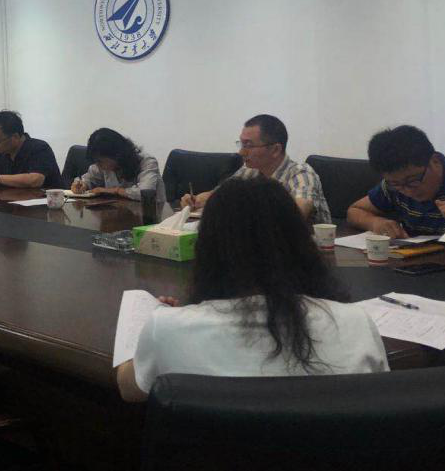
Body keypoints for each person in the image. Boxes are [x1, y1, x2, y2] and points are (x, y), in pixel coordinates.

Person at [116, 176, 387, 402]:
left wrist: (155, 324)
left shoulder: (167, 329)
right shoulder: (355, 323)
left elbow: (129, 389)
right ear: (301, 243)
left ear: (207, 249)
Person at [180, 114, 331, 223]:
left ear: (275, 150)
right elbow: (220, 194)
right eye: (241, 144)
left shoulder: (301, 173)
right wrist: (197, 201)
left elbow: (295, 215)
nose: (241, 152)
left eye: (248, 145)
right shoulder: (249, 171)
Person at [71, 128, 165, 202]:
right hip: (119, 214)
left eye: (100, 161)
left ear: (116, 155)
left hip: (151, 216)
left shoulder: (147, 162)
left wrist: (116, 190)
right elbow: (88, 179)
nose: (98, 165)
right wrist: (82, 185)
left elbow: (145, 192)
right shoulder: (102, 167)